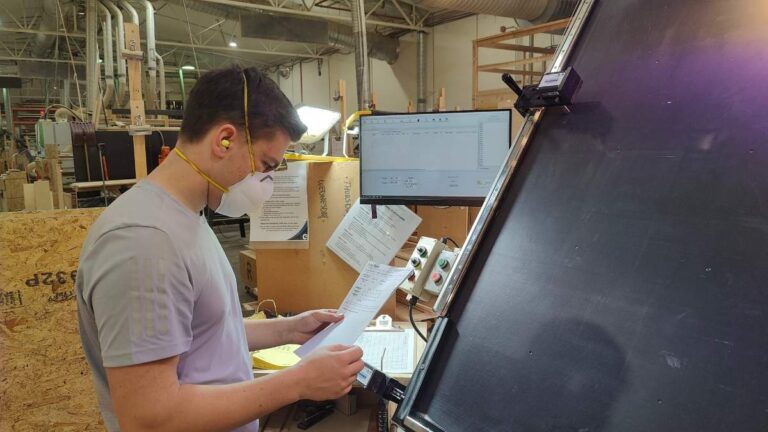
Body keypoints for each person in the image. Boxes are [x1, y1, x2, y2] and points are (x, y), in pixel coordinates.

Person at [76, 65, 364, 432]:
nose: (266, 182)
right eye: (266, 165)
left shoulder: (186, 215)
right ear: (224, 139)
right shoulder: (144, 241)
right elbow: (150, 418)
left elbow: (202, 330)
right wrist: (298, 382)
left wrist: (290, 330)